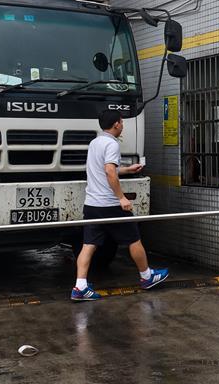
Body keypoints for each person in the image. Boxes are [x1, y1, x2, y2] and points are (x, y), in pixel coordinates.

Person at [71, 109, 168, 301]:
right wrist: (122, 198)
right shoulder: (112, 144)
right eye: (122, 122)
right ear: (116, 124)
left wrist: (128, 169)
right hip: (110, 205)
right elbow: (109, 172)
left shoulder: (95, 142)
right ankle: (147, 276)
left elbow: (107, 169)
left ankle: (80, 286)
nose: (123, 125)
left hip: (92, 203)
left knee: (88, 244)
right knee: (134, 239)